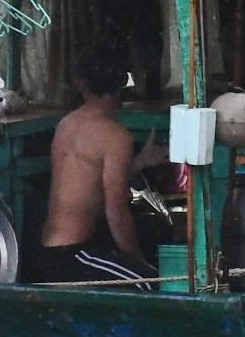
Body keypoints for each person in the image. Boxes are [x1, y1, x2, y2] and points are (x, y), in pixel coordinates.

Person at [27, 52, 165, 289]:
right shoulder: (115, 136)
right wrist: (140, 263)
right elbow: (116, 214)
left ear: (82, 86)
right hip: (72, 256)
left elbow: (85, 180)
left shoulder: (67, 124)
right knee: (150, 285)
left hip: (47, 251)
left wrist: (140, 161)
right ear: (123, 83)